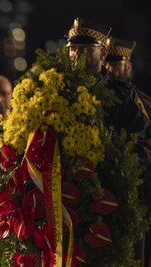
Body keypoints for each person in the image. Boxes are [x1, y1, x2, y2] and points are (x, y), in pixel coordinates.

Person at [66, 17, 151, 267]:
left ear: (103, 53)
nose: (77, 54)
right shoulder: (58, 94)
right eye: (72, 48)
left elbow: (143, 148)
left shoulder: (124, 98)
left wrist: (109, 176)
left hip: (111, 206)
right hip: (67, 206)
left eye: (85, 49)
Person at [104, 36, 151, 118]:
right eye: (105, 64)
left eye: (114, 65)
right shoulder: (94, 96)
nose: (109, 69)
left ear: (129, 67)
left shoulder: (144, 104)